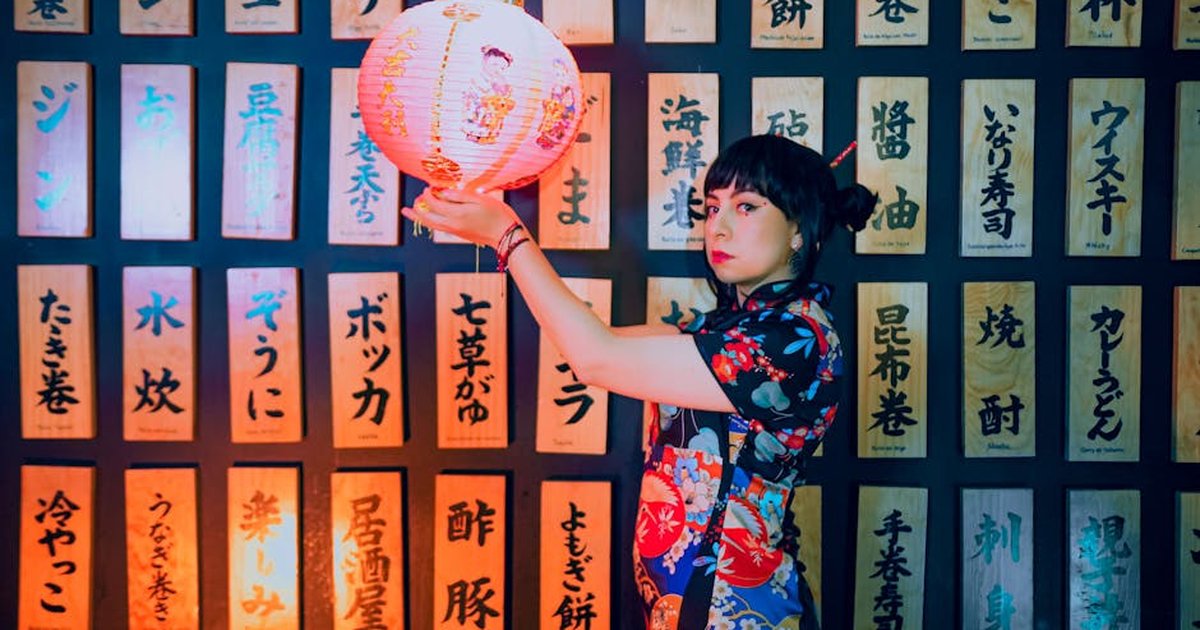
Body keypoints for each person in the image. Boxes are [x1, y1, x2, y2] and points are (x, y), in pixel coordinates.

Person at [403, 134, 876, 630]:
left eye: (747, 207)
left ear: (798, 229)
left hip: (738, 611)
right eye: (713, 209)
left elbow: (597, 358)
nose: (720, 227)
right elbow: (593, 342)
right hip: (685, 604)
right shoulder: (723, 328)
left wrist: (508, 236)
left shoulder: (794, 340)